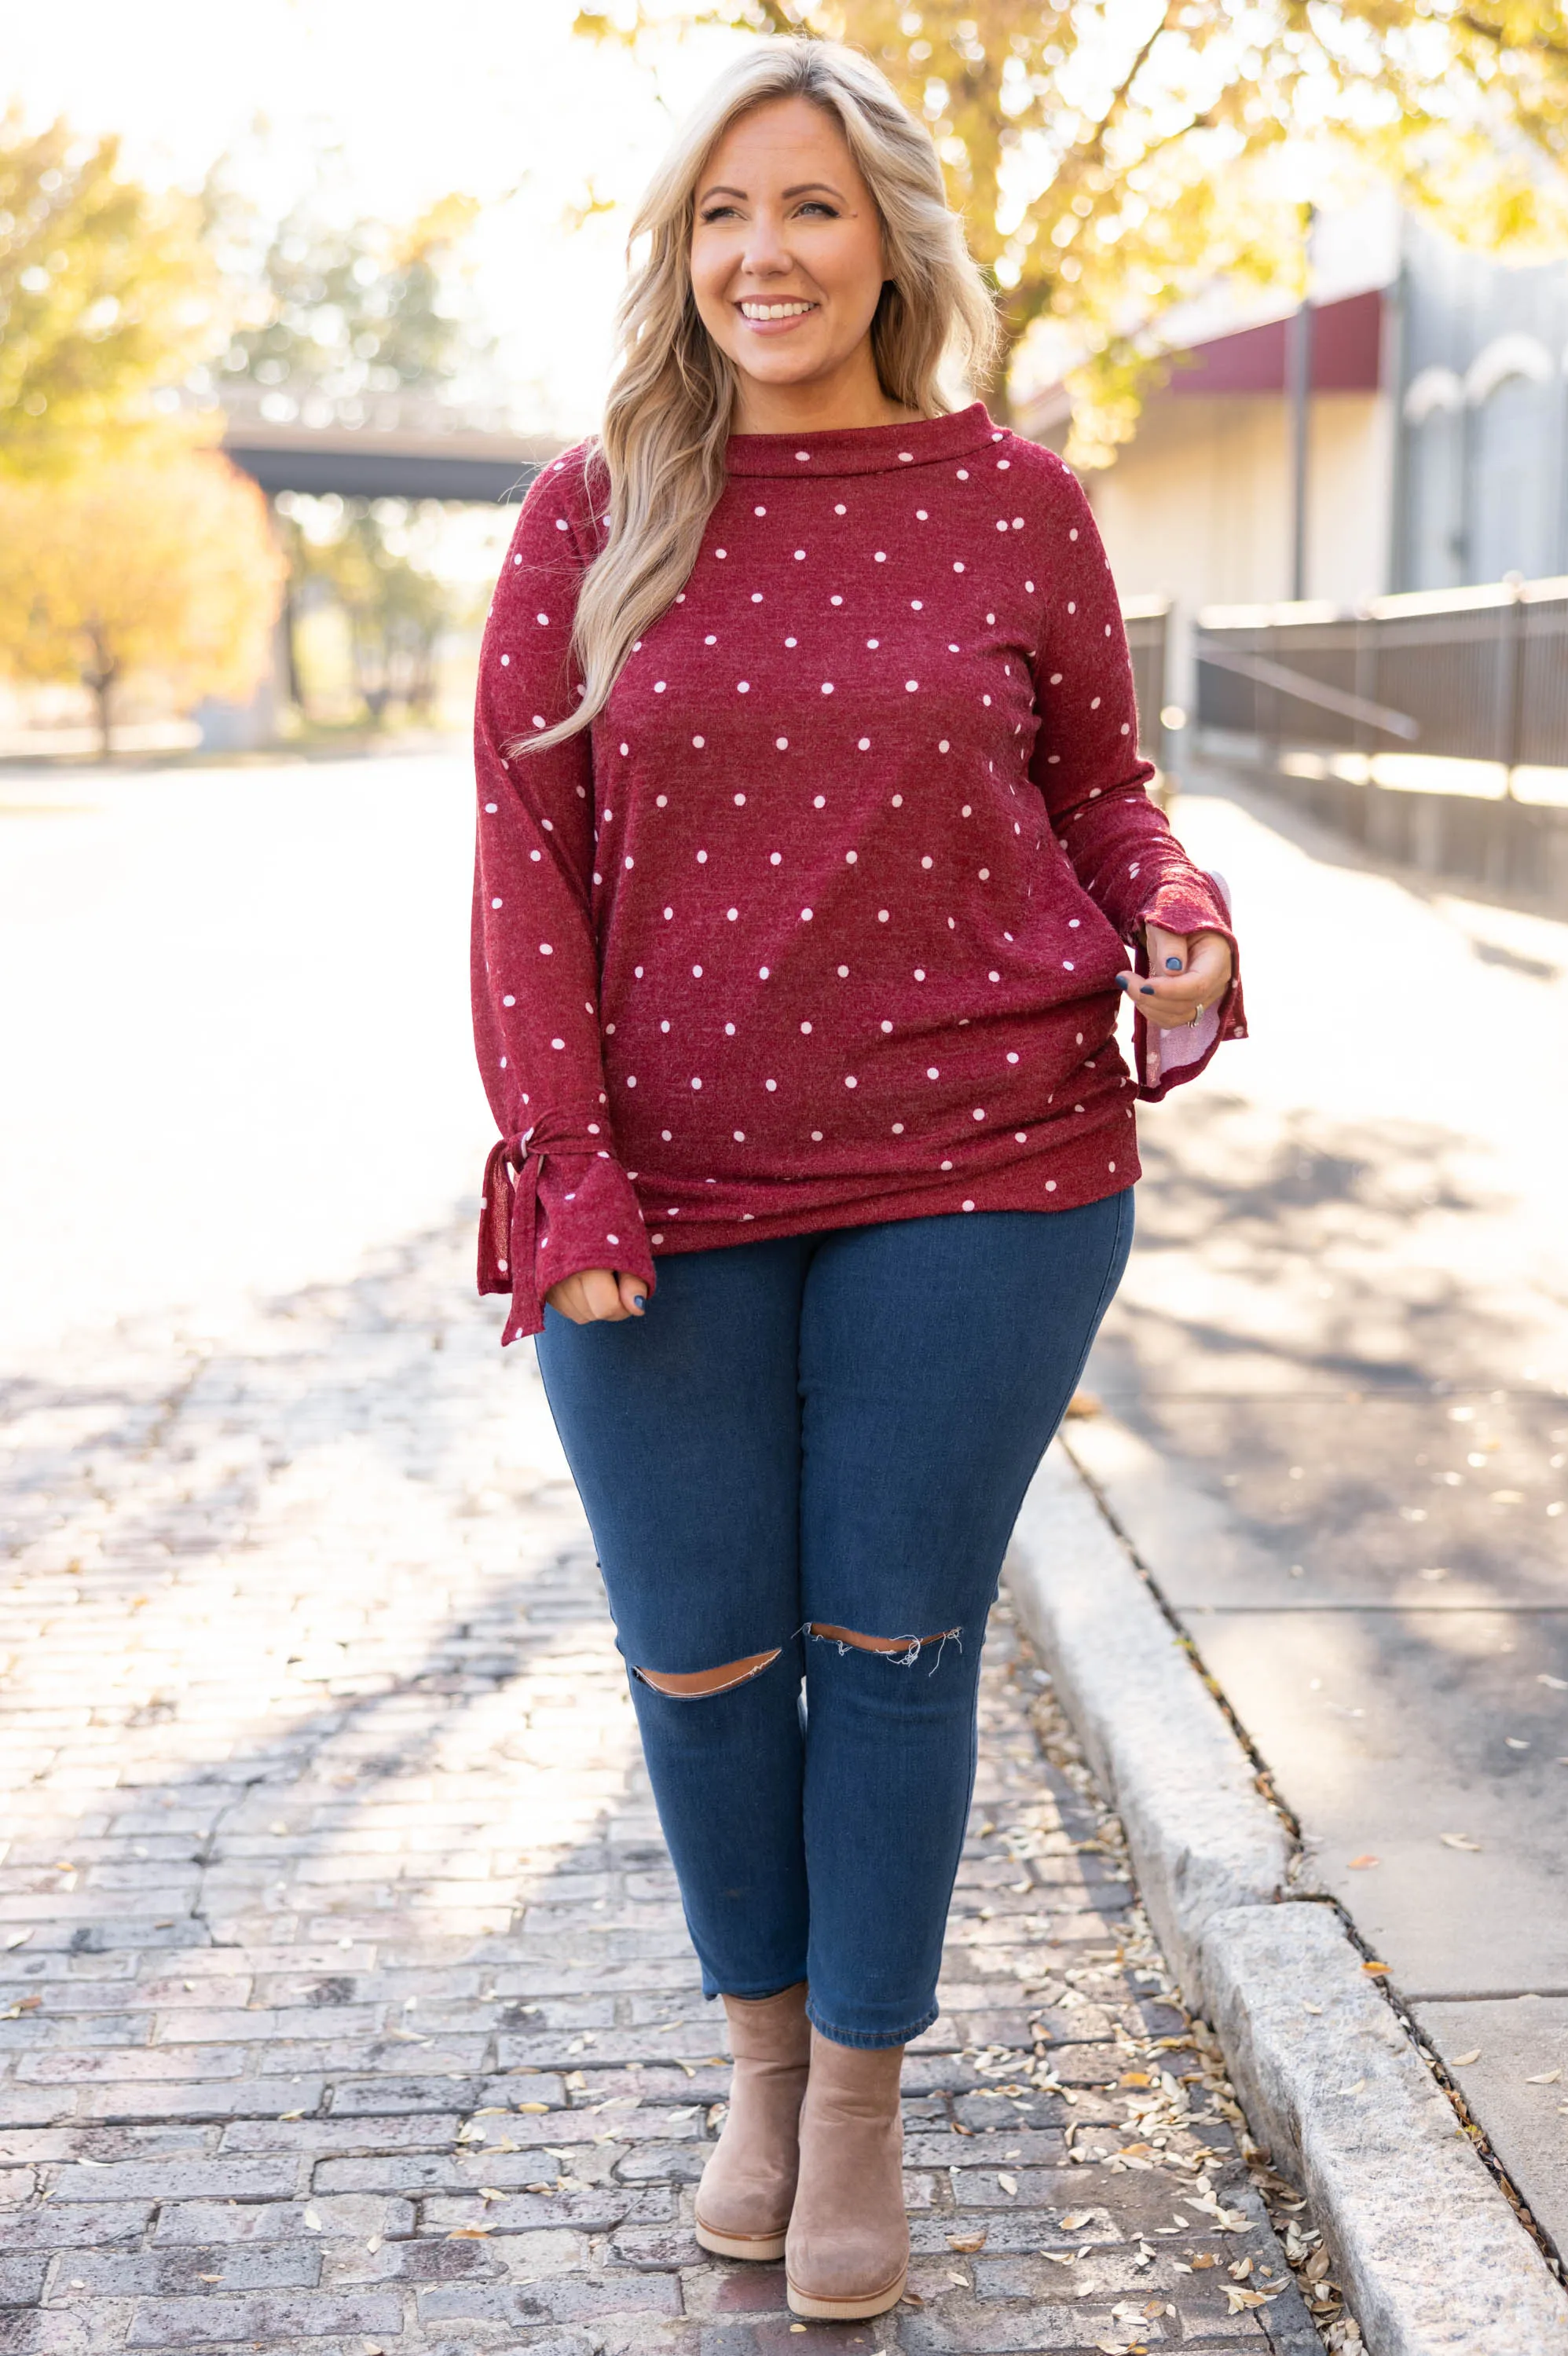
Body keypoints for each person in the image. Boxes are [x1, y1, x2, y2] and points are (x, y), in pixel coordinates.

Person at [471, 35, 1243, 2324]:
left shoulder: (1015, 502)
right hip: (664, 1190)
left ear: (888, 232)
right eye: (721, 214)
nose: (761, 253)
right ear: (677, 255)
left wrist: (1174, 899)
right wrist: (570, 1174)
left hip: (984, 1166)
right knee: (701, 1655)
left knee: (892, 1646)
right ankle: (757, 2069)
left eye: (805, 206)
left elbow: (1103, 781)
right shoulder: (592, 509)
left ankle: (860, 2112)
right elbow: (530, 866)